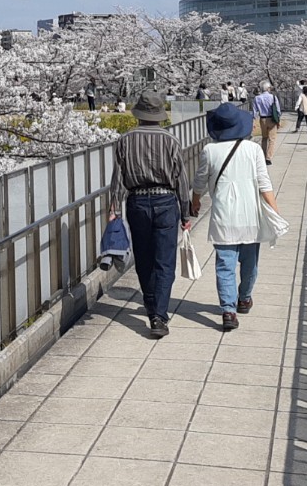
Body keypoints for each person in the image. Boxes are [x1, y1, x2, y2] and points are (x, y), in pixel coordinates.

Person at [190, 103, 281, 331]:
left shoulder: (210, 150)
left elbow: (199, 181)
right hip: (250, 215)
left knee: (225, 265)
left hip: (223, 217)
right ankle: (244, 297)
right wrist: (275, 210)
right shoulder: (253, 150)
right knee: (250, 264)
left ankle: (228, 311)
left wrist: (195, 202)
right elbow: (264, 183)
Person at [108, 89, 192, 338]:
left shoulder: (125, 140)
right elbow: (181, 179)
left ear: (138, 114)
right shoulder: (171, 140)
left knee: (143, 258)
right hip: (166, 201)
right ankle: (159, 315)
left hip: (137, 203)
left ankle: (150, 303)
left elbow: (118, 178)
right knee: (165, 261)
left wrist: (114, 209)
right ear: (159, 115)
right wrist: (185, 212)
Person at [251, 80, 282, 165]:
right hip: (272, 119)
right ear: (268, 88)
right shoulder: (273, 97)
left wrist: (253, 122)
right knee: (272, 139)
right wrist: (278, 120)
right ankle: (268, 158)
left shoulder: (257, 98)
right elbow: (278, 110)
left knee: (264, 138)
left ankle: (263, 156)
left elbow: (255, 112)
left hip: (262, 119)